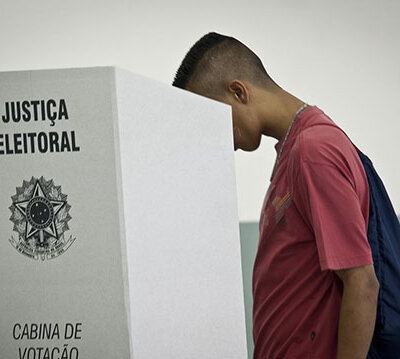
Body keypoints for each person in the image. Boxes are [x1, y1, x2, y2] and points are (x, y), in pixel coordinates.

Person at [172, 32, 380, 359]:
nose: (212, 138)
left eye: (210, 119)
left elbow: (363, 284)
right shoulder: (294, 151)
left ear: (238, 91)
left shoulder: (314, 151)